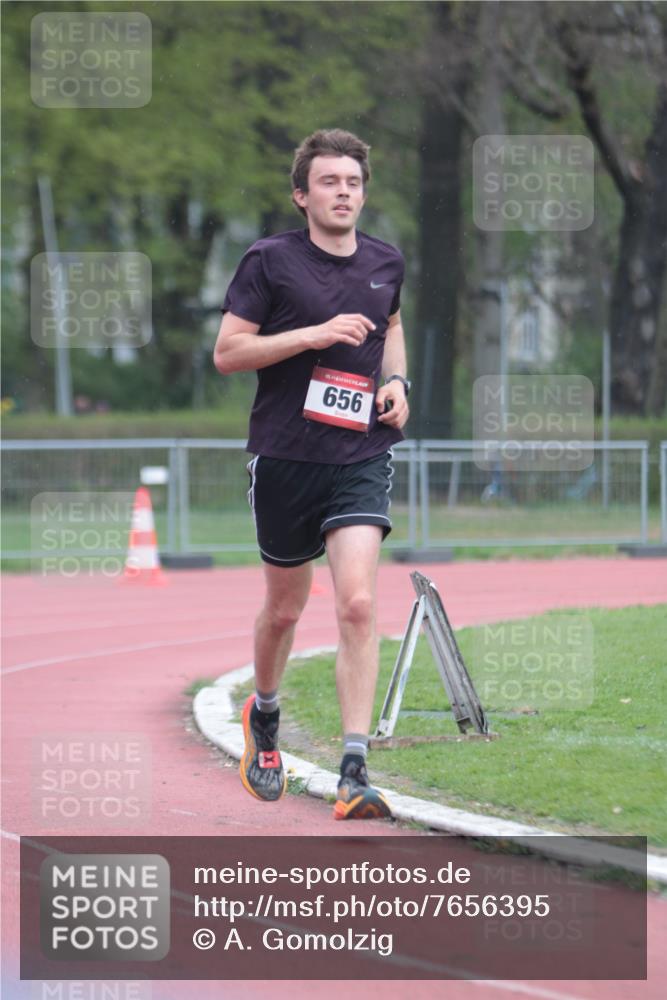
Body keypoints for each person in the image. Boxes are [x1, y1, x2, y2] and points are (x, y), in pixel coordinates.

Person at [213, 128, 410, 820]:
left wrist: (397, 383)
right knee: (286, 609)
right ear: (302, 194)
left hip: (359, 455)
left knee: (356, 603)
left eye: (352, 183)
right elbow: (229, 353)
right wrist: (312, 336)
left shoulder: (386, 260)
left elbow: (390, 326)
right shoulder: (269, 261)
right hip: (285, 457)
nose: (343, 193)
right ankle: (263, 715)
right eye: (329, 182)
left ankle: (353, 771)